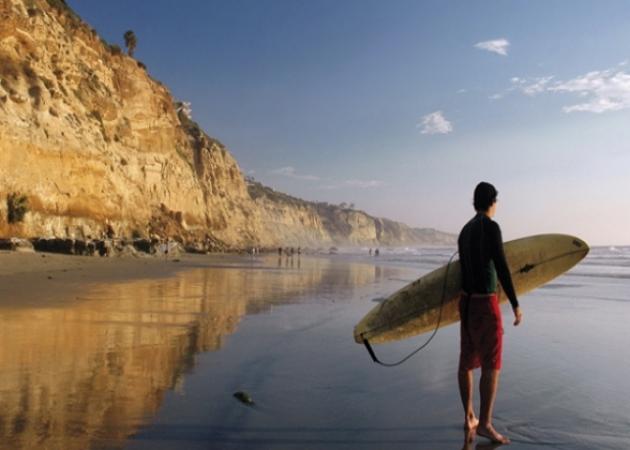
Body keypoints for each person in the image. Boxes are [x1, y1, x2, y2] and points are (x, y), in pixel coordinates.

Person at [457, 182, 523, 445]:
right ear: (492, 202)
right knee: (491, 364)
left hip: (466, 301)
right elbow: (502, 266)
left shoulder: (464, 231)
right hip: (486, 302)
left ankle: (469, 416)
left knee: (466, 361)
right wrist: (515, 303)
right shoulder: (491, 228)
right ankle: (484, 424)